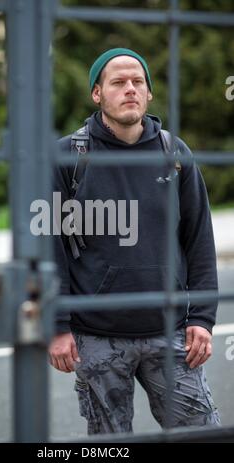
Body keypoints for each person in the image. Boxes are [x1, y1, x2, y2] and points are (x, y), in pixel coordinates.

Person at [48, 48, 221, 434]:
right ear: (97, 94)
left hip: (170, 330)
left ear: (149, 93)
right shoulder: (66, 157)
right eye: (118, 82)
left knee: (202, 435)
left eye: (137, 82)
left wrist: (203, 318)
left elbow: (198, 238)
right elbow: (49, 248)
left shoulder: (173, 153)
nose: (130, 89)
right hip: (97, 335)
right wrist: (57, 325)